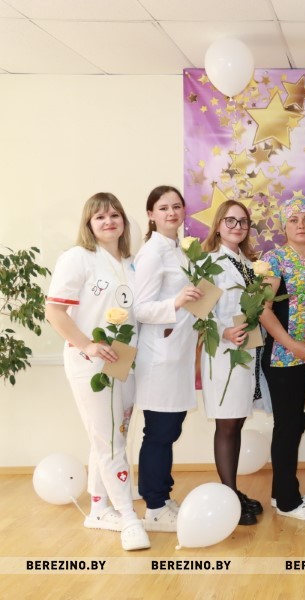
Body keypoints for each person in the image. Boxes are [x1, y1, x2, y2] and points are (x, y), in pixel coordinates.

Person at [45, 192, 151, 551]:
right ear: (89, 224)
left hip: (124, 361)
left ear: (123, 220)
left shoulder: (131, 263)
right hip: (91, 364)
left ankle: (99, 508)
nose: (109, 221)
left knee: (110, 436)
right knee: (110, 441)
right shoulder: (78, 258)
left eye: (114, 215)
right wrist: (87, 345)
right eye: (100, 217)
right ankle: (128, 517)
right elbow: (54, 311)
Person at [133, 185, 201, 532]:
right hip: (159, 356)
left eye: (176, 206)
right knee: (159, 432)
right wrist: (176, 302)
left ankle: (163, 495)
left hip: (178, 353)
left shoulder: (180, 249)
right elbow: (140, 308)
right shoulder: (152, 253)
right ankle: (154, 507)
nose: (171, 213)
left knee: (170, 429)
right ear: (151, 215)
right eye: (163, 208)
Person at [199, 199, 268, 525]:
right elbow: (199, 313)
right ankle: (228, 496)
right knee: (227, 424)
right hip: (223, 354)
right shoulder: (209, 262)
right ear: (217, 225)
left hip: (247, 353)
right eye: (230, 220)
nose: (237, 226)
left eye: (243, 221)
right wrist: (224, 331)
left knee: (237, 421)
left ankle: (232, 491)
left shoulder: (248, 263)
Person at [258, 197, 305, 521]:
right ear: (284, 226)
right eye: (294, 220)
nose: (301, 225)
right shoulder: (274, 260)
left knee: (297, 425)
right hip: (283, 357)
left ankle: (280, 491)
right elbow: (263, 310)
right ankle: (288, 501)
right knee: (287, 427)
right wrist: (292, 344)